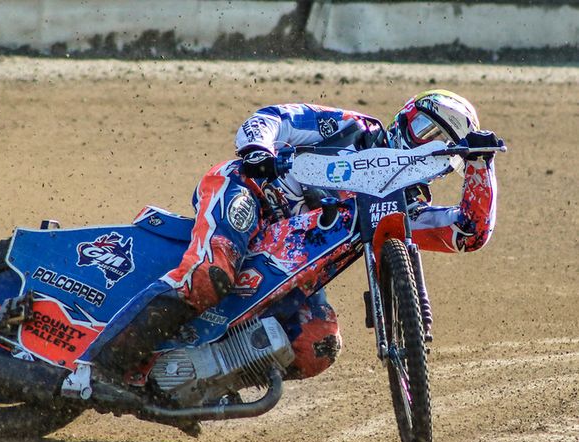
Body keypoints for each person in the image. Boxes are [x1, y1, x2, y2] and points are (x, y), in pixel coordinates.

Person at [86, 89, 500, 388]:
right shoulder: (354, 129)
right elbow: (275, 118)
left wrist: (481, 165)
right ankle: (99, 364)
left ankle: (190, 383)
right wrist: (258, 148)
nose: (428, 145)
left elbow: (469, 232)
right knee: (211, 275)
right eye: (426, 128)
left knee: (317, 344)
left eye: (444, 147)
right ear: (406, 118)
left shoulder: (403, 206)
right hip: (249, 193)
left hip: (290, 262)